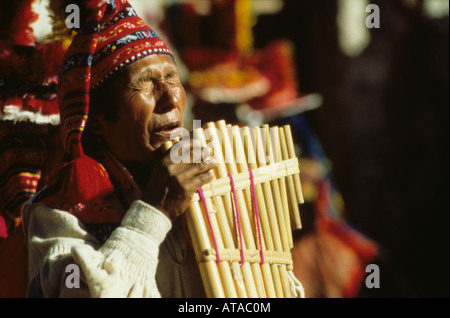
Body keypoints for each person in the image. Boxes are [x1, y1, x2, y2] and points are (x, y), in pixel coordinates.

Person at [21, 0, 304, 298]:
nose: (171, 98)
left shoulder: (221, 183)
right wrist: (154, 212)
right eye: (144, 84)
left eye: (173, 79)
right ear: (98, 119)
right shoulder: (58, 214)